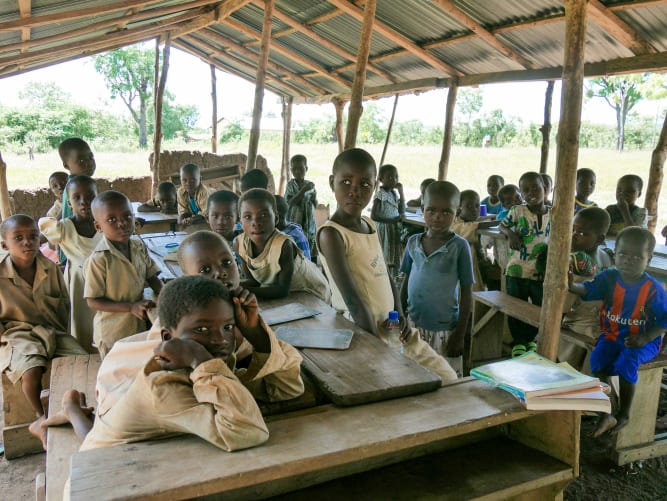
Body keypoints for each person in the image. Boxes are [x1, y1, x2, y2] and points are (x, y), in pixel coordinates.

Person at [44, 274, 303, 460]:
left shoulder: (215, 358)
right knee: (96, 441)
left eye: (227, 327)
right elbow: (248, 432)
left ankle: (72, 411)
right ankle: (72, 411)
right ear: (168, 337)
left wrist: (254, 332)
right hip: (110, 468)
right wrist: (200, 360)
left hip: (150, 438)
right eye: (201, 329)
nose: (219, 340)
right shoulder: (164, 388)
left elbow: (288, 388)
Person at [92, 230, 305, 418]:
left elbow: (288, 387)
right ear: (187, 278)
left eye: (227, 263)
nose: (219, 272)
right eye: (204, 270)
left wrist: (255, 332)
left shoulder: (240, 311)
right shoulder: (179, 324)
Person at [317, 148, 457, 383]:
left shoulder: (369, 224)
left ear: (375, 187)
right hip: (362, 331)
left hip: (392, 326)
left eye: (364, 184)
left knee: (447, 377)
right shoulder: (332, 234)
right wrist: (375, 343)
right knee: (393, 387)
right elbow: (351, 298)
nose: (355, 191)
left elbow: (384, 274)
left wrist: (400, 314)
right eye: (346, 182)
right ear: (332, 182)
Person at [568, 227, 667, 437]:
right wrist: (572, 286)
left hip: (643, 341)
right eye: (622, 254)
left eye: (636, 257)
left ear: (648, 260)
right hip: (612, 335)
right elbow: (589, 289)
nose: (627, 261)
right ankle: (607, 413)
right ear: (615, 256)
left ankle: (624, 414)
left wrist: (646, 338)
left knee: (626, 364)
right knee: (597, 362)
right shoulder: (610, 277)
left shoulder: (653, 289)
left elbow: (665, 320)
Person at [0, 215, 87, 448]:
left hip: (51, 330)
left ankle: (74, 407)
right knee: (31, 369)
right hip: (16, 333)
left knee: (83, 359)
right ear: (4, 244)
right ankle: (41, 419)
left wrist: (62, 335)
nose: (27, 242)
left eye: (33, 236)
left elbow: (63, 305)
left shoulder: (50, 267)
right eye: (18, 238)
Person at [400, 181, 474, 376]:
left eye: (446, 212)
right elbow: (405, 281)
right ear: (422, 209)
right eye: (431, 210)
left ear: (456, 213)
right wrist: (399, 315)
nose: (438, 218)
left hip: (445, 329)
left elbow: (467, 294)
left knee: (446, 379)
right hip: (413, 324)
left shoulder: (459, 247)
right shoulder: (413, 242)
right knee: (413, 374)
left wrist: (460, 334)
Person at [84, 191, 162, 358]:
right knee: (115, 377)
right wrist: (130, 307)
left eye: (127, 216)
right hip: (112, 333)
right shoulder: (99, 259)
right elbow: (92, 301)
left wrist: (164, 295)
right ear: (98, 227)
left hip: (136, 326)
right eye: (112, 220)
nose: (122, 224)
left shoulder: (138, 247)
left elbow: (152, 277)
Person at [39, 176, 102, 353]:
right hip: (79, 282)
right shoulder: (63, 228)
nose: (84, 202)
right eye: (76, 198)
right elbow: (44, 228)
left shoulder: (105, 224)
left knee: (103, 320)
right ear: (68, 203)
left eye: (90, 197)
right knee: (82, 321)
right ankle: (84, 358)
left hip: (104, 279)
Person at [234, 189, 330, 302]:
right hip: (286, 295)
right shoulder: (239, 244)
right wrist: (233, 286)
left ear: (276, 218)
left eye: (264, 215)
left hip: (311, 292)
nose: (256, 222)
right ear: (240, 221)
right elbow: (254, 282)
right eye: (247, 217)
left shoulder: (284, 245)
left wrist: (241, 289)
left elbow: (282, 290)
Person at [500, 172, 551, 357]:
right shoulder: (517, 211)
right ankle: (519, 342)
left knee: (538, 306)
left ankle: (530, 339)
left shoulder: (553, 213)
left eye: (536, 188)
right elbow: (502, 225)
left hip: (540, 271)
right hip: (517, 268)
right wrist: (511, 234)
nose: (531, 193)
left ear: (545, 189)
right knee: (516, 306)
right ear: (521, 194)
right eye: (526, 190)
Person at [559, 208, 613, 370]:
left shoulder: (575, 261)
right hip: (600, 319)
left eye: (582, 233)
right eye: (573, 229)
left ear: (600, 238)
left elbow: (564, 303)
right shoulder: (606, 256)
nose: (574, 235)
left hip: (579, 321)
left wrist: (556, 323)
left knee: (561, 353)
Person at [452, 190, 499, 292]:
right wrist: (499, 222)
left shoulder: (471, 222)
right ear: (458, 209)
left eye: (477, 206)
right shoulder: (455, 224)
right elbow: (474, 227)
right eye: (469, 207)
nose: (474, 210)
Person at [370, 164, 405, 280]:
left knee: (393, 253)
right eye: (389, 177)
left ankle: (393, 278)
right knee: (385, 254)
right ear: (381, 179)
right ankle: (383, 278)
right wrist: (391, 220)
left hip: (392, 228)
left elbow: (401, 211)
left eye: (396, 177)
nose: (394, 180)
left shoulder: (394, 194)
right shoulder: (380, 194)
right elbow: (373, 215)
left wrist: (402, 192)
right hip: (384, 229)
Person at [285, 154, 317, 260]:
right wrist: (303, 190)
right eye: (294, 169)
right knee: (297, 246)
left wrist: (313, 198)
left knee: (310, 245)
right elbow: (290, 202)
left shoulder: (310, 185)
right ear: (291, 170)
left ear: (306, 169)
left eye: (301, 168)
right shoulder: (290, 185)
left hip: (309, 223)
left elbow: (315, 204)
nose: (297, 171)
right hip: (295, 221)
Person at [275, 195, 311, 260]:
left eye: (264, 215)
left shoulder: (297, 237)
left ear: (276, 217)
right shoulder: (271, 232)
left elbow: (306, 262)